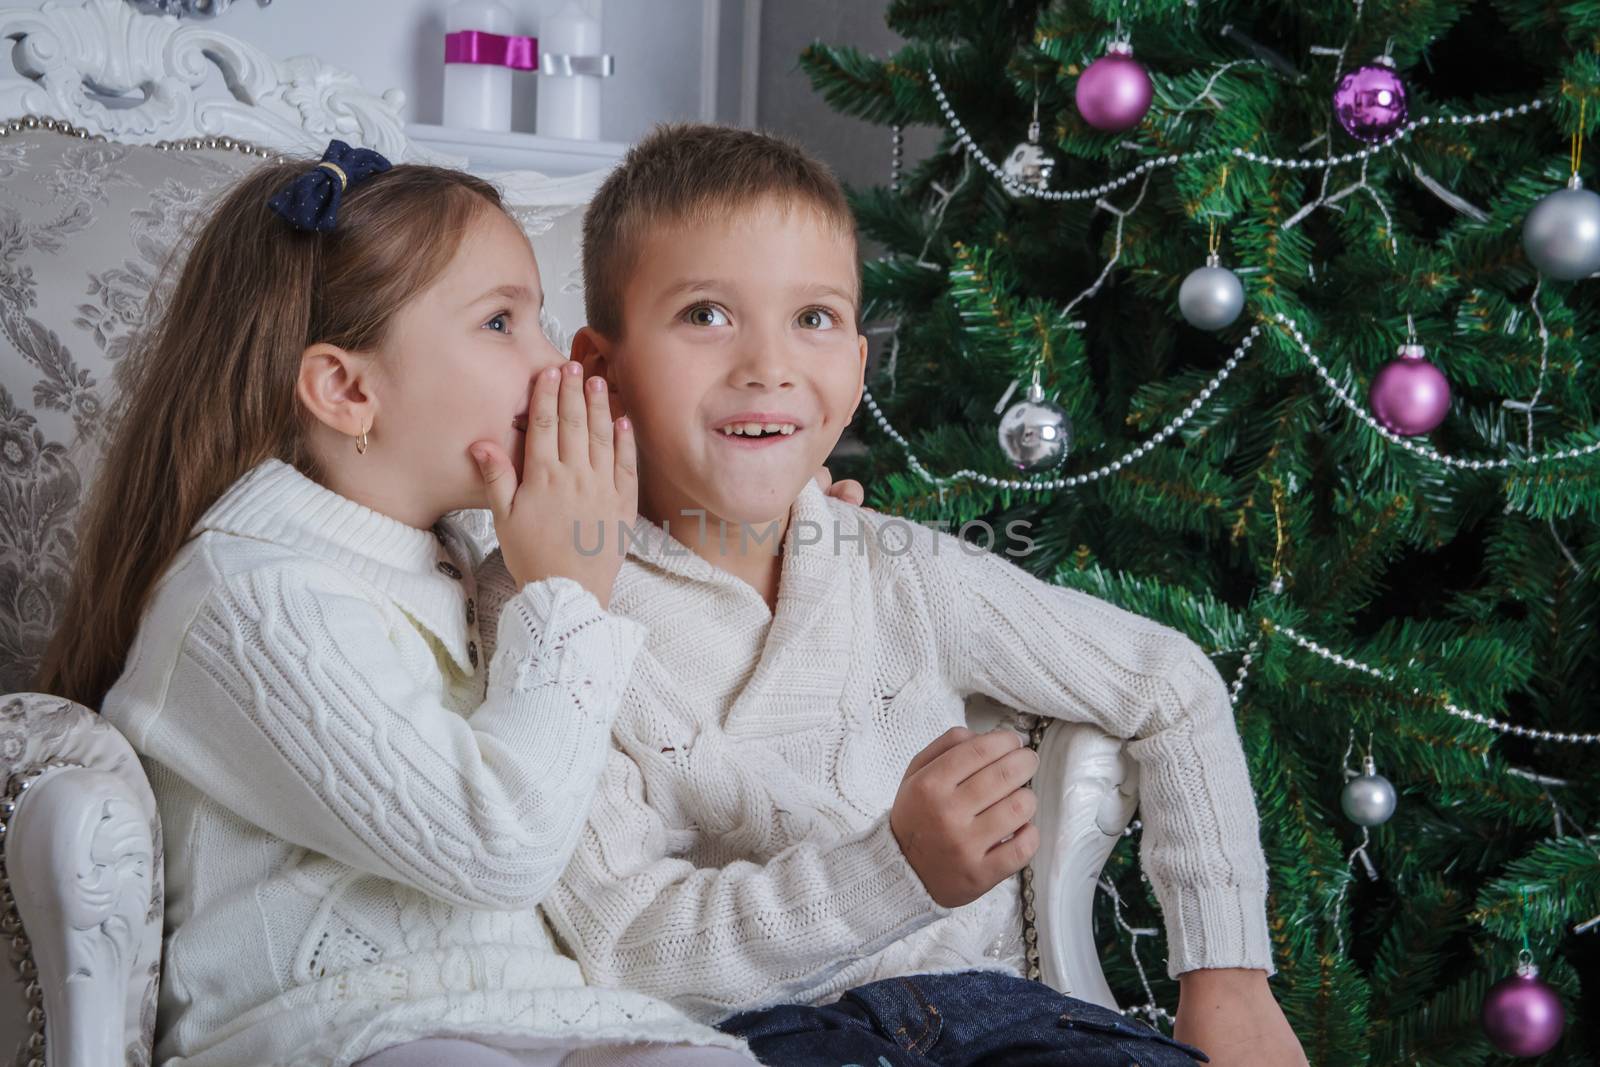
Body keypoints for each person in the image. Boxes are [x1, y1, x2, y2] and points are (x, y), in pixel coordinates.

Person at [473, 123, 1312, 1066]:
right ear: (599, 366)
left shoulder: (900, 568)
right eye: (707, 313)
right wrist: (894, 869)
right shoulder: (552, 598)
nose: (769, 365)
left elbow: (1170, 683)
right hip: (757, 1042)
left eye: (815, 318)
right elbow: (627, 946)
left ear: (857, 369)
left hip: (1010, 1022)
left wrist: (1227, 978)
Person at [33, 141, 767, 1067]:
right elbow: (497, 848)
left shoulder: (473, 563)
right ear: (347, 389)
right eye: (502, 323)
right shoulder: (247, 597)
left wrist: (752, 520)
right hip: (330, 1030)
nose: (553, 365)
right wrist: (568, 590)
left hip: (540, 1012)